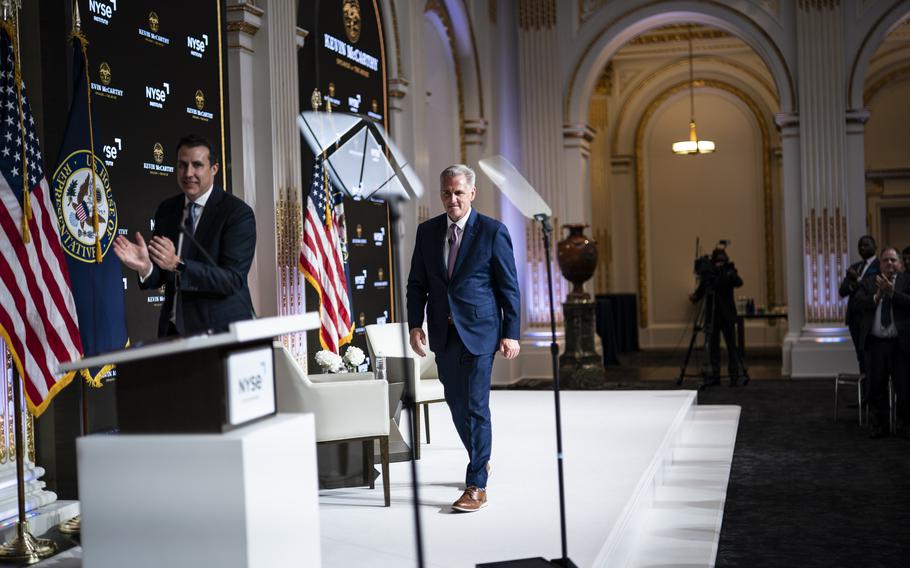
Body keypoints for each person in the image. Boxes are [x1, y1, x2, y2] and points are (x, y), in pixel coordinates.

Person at [406, 164, 521, 513]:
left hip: (481, 333)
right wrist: (415, 324)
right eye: (446, 192)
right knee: (456, 405)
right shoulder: (426, 232)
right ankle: (480, 458)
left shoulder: (492, 231)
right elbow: (417, 284)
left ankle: (476, 484)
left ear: (472, 193)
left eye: (458, 192)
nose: (452, 198)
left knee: (475, 406)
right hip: (444, 334)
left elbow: (508, 287)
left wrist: (510, 333)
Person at [113, 134, 256, 337]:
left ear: (214, 168)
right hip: (173, 332)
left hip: (219, 333)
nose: (188, 173)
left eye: (197, 165)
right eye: (182, 165)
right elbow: (161, 276)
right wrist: (146, 267)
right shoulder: (167, 210)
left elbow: (232, 280)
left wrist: (178, 264)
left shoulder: (236, 213)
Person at [854, 247, 910, 439]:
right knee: (876, 386)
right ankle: (880, 425)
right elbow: (856, 303)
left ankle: (904, 425)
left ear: (900, 264)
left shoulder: (906, 280)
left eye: (894, 260)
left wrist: (893, 293)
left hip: (900, 345)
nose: (890, 264)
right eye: (886, 260)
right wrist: (877, 297)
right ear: (880, 264)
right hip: (876, 343)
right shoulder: (869, 282)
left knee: (904, 387)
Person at [689, 247, 743, 387]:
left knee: (732, 347)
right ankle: (715, 376)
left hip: (727, 316)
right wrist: (695, 297)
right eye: (717, 261)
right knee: (713, 348)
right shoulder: (709, 274)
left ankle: (734, 376)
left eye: (722, 261)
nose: (719, 264)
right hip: (713, 316)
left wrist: (728, 274)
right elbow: (702, 289)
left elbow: (739, 282)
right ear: (713, 262)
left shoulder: (730, 270)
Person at [839, 235, 879, 373]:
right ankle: (864, 390)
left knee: (871, 356)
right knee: (861, 356)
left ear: (875, 247)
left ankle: (873, 391)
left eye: (866, 244)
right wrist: (852, 285)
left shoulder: (879, 266)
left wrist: (857, 279)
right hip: (855, 319)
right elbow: (842, 290)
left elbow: (872, 289)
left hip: (871, 318)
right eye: (860, 245)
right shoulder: (854, 267)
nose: (862, 248)